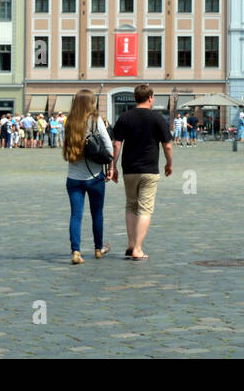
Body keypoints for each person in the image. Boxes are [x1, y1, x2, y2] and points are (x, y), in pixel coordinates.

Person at [109, 84, 172, 261]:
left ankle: (131, 244)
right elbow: (167, 145)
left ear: (136, 98)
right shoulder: (157, 118)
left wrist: (113, 167)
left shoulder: (125, 117)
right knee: (145, 208)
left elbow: (116, 144)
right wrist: (169, 163)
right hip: (150, 169)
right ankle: (137, 248)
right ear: (150, 98)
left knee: (131, 205)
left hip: (129, 169)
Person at [62, 90, 113, 265]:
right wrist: (110, 167)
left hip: (74, 177)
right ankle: (98, 249)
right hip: (95, 176)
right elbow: (108, 146)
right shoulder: (95, 120)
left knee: (76, 215)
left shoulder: (69, 122)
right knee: (97, 213)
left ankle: (75, 252)